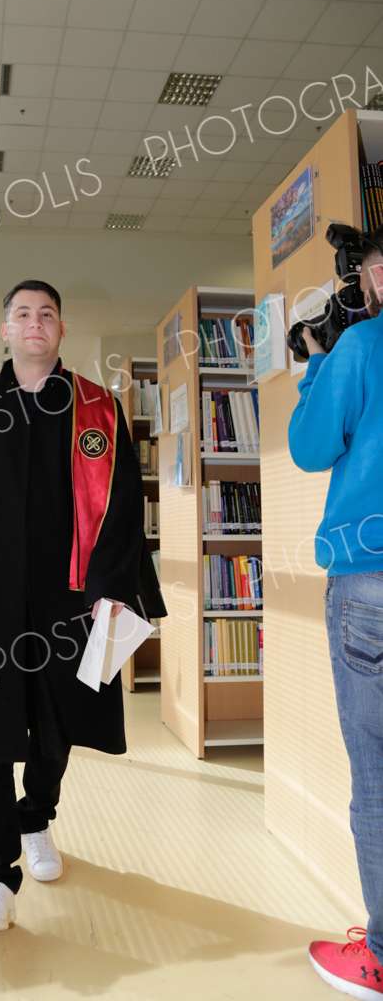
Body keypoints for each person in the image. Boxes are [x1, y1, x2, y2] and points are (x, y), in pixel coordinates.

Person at [0, 278, 165, 934]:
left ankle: (36, 816)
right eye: (21, 313)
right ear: (5, 330)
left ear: (60, 329)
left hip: (68, 599)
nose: (34, 323)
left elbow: (122, 508)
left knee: (59, 723)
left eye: (46, 314)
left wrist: (110, 591)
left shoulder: (96, 410)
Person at [288, 229, 383, 999]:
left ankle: (380, 956)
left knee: (377, 777)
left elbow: (310, 447)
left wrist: (319, 359)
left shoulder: (359, 348)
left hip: (369, 582)